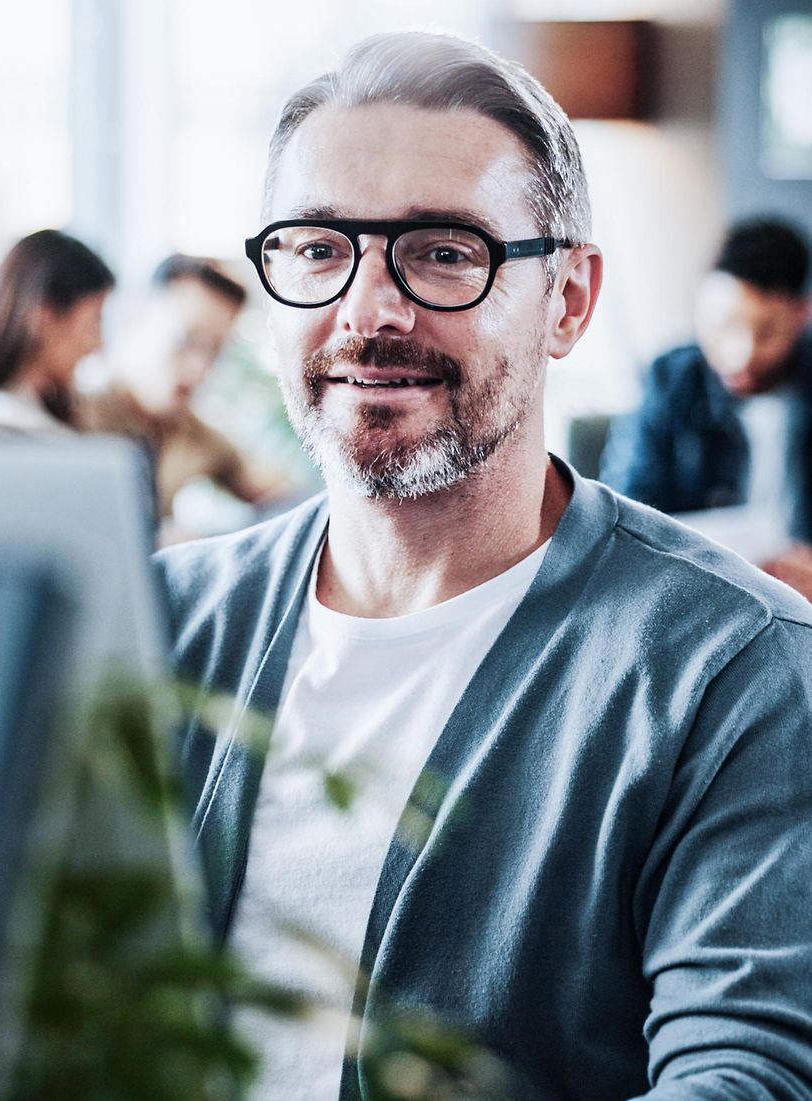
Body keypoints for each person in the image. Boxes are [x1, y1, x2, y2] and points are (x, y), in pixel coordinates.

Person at [155, 32, 812, 1101]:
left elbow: (742, 1077)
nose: (368, 312)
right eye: (319, 248)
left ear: (569, 300)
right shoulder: (156, 622)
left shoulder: (737, 670)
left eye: (444, 251)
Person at [599, 219, 812, 542]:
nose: (742, 354)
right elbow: (624, 518)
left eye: (767, 332)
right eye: (722, 326)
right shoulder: (670, 381)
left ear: (802, 315)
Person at [77, 254, 287, 524]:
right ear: (135, 316)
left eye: (214, 352)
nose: (199, 369)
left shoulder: (194, 435)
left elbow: (281, 495)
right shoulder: (72, 414)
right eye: (185, 341)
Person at [0, 229, 114, 435]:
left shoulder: (39, 415)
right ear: (45, 315)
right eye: (93, 322)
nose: (98, 344)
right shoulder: (4, 423)